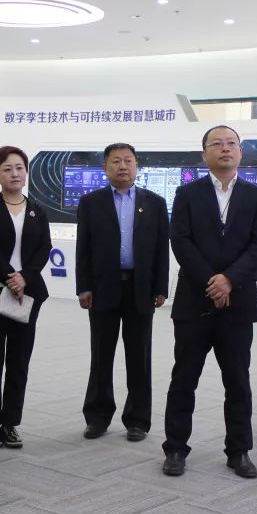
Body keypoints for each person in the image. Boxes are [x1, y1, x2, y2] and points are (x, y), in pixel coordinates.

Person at [162, 126, 257, 477]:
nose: (225, 149)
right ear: (204, 153)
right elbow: (180, 240)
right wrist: (212, 280)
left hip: (237, 304)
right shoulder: (187, 193)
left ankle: (239, 451)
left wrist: (230, 280)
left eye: (231, 143)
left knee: (238, 382)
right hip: (194, 301)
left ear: (240, 152)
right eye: (217, 144)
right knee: (184, 380)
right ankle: (175, 448)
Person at [76, 143, 170, 441]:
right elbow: (83, 248)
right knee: (101, 356)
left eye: (128, 161)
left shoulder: (154, 203)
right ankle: (97, 417)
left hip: (140, 289)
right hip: (102, 288)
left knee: (139, 356)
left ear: (137, 166)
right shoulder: (91, 202)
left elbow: (161, 250)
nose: (122, 166)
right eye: (115, 161)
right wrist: (83, 287)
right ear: (105, 167)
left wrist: (161, 287)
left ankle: (138, 420)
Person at [0, 146, 52, 449]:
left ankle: (11, 423)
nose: (15, 174)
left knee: (19, 360)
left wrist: (25, 277)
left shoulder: (37, 210)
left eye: (19, 168)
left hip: (26, 295)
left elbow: (44, 248)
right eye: (7, 169)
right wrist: (10, 275)